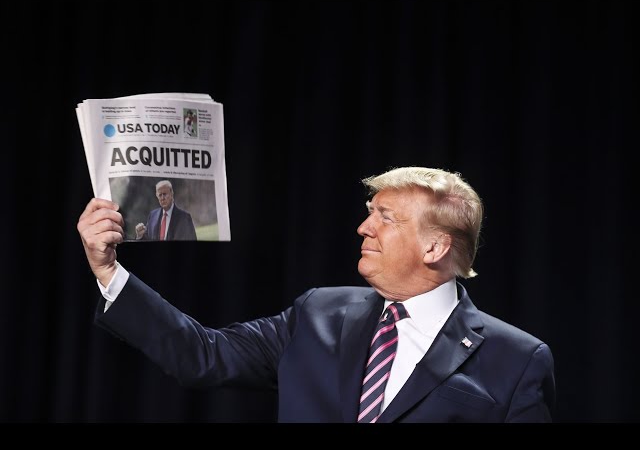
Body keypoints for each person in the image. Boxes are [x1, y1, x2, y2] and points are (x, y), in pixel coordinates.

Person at [78, 166, 555, 422]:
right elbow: (203, 355)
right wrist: (108, 270)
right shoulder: (319, 313)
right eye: (370, 212)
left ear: (435, 246)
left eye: (386, 217)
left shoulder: (516, 360)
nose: (363, 227)